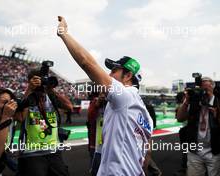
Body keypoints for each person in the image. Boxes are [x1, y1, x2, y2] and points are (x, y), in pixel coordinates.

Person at [57, 16, 153, 176]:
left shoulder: (125, 96)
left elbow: (87, 63)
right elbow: (147, 151)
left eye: (114, 70)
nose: (109, 74)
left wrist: (64, 33)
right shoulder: (145, 113)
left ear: (128, 75)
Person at [18, 69, 73, 176]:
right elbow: (20, 117)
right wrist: (30, 89)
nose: (41, 82)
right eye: (37, 80)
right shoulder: (24, 95)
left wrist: (50, 90)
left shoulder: (50, 96)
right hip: (32, 152)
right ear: (30, 81)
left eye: (43, 79)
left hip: (53, 150)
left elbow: (69, 107)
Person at [176, 77, 220, 176]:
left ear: (213, 89)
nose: (203, 93)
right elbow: (180, 118)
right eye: (201, 89)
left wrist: (213, 101)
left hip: (216, 151)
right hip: (195, 151)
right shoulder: (194, 103)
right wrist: (187, 101)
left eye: (206, 89)